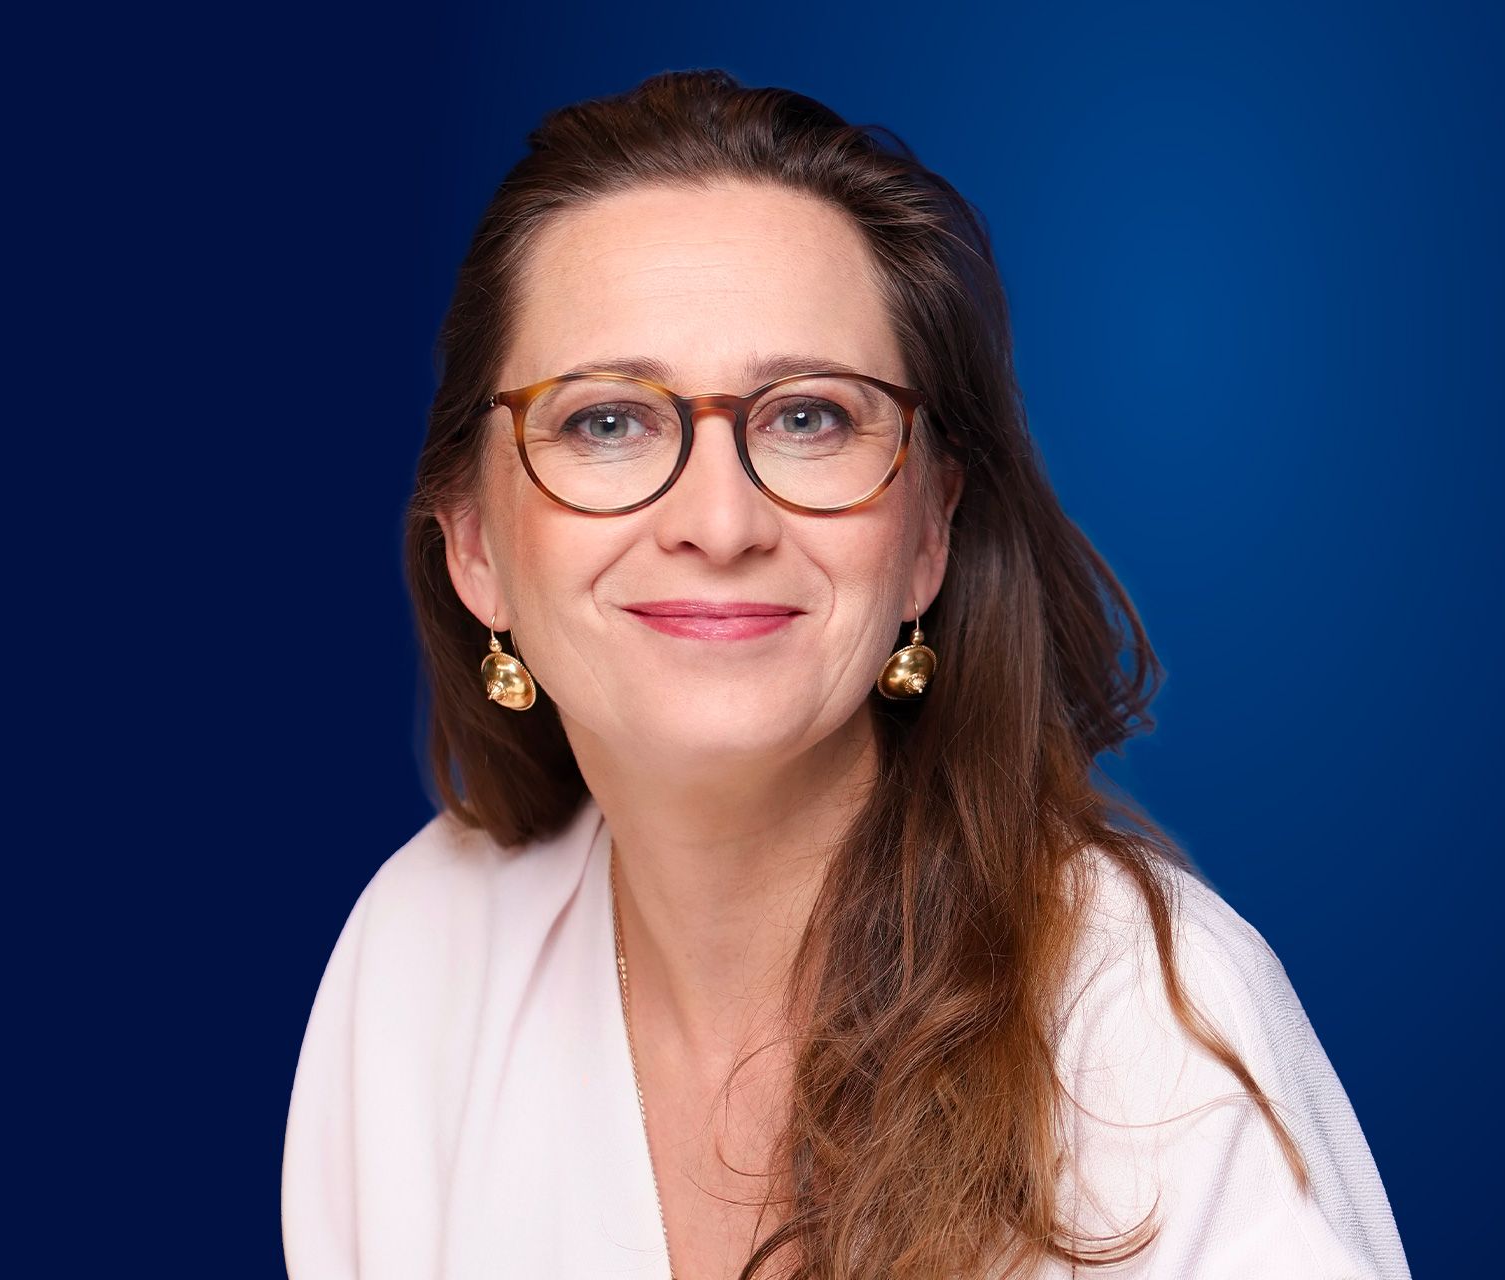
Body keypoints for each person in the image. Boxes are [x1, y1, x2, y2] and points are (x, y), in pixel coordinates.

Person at [282, 69, 1410, 1280]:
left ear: (928, 532)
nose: (719, 522)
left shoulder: (1141, 1026)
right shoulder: (420, 952)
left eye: (808, 418)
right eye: (606, 420)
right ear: (472, 545)